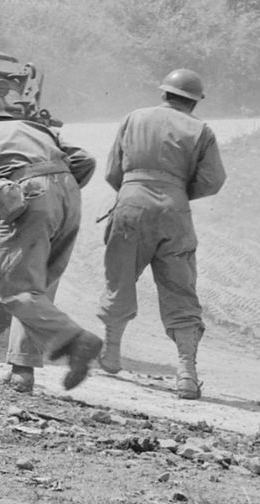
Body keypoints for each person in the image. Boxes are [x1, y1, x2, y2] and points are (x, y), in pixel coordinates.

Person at [0, 86, 103, 393]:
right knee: (37, 290)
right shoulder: (34, 128)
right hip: (68, 195)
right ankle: (22, 372)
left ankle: (77, 340)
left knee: (16, 292)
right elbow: (85, 160)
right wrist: (60, 192)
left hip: (27, 196)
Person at [96, 68, 227, 399]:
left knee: (119, 279)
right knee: (181, 290)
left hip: (130, 205)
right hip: (175, 212)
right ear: (195, 102)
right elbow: (213, 180)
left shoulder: (133, 118)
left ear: (163, 93)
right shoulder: (202, 130)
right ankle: (186, 374)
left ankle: (111, 355)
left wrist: (134, 192)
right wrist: (176, 191)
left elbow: (113, 170)